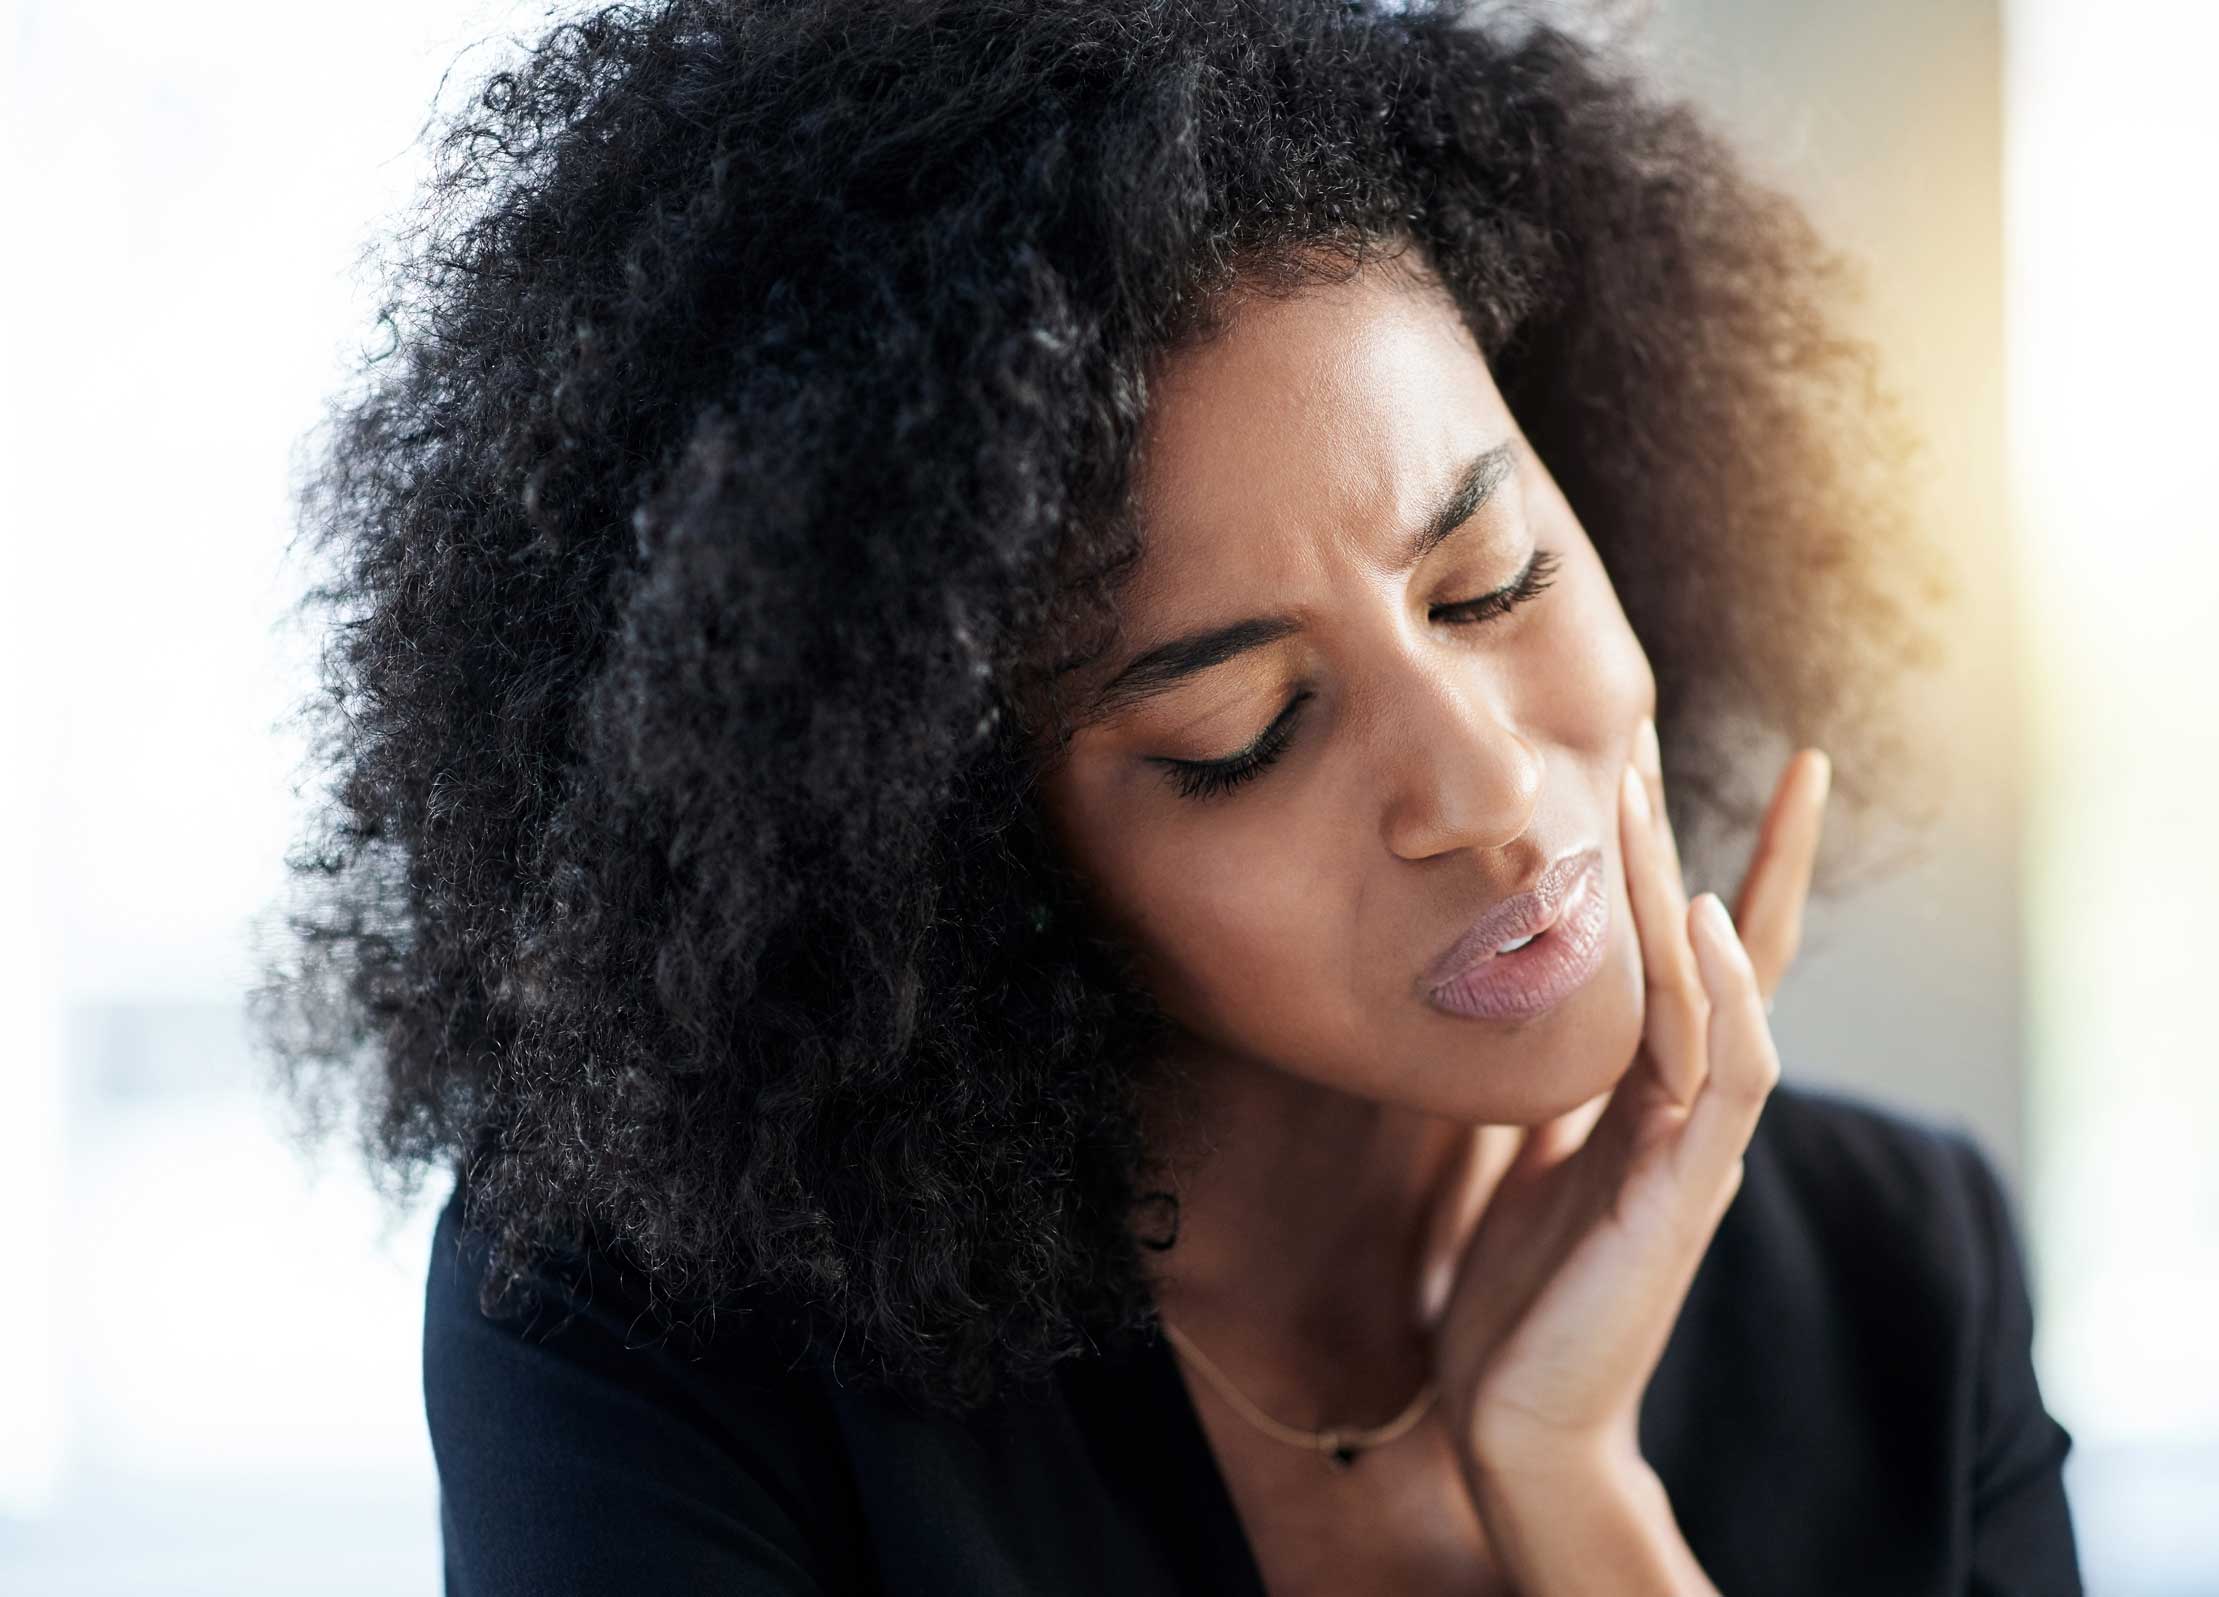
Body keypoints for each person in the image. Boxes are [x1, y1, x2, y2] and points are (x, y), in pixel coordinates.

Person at [256, 0, 2083, 1591]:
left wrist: (1574, 1487)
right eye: (1244, 727)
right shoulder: (653, 1336)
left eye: (1494, 578)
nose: (1484, 781)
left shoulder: (1907, 1283)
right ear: (965, 858)